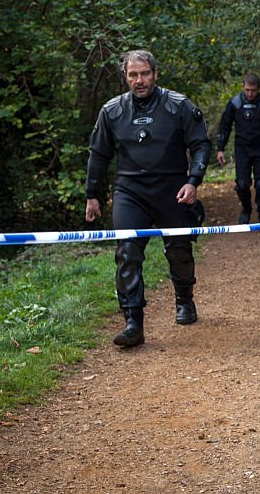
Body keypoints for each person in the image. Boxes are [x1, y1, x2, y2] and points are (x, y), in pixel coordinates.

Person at [85, 50, 211, 348]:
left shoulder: (178, 105)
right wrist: (92, 195)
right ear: (125, 77)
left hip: (173, 188)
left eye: (144, 74)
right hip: (130, 191)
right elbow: (98, 155)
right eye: (132, 75)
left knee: (179, 250)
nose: (139, 80)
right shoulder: (112, 111)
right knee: (127, 252)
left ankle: (184, 299)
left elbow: (201, 145)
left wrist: (193, 182)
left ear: (155, 74)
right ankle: (133, 323)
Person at [215, 73, 260, 225]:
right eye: (247, 90)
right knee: (242, 184)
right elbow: (224, 127)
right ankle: (246, 209)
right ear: (243, 87)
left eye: (253, 90)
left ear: (258, 89)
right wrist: (220, 149)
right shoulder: (234, 103)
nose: (250, 94)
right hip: (242, 149)